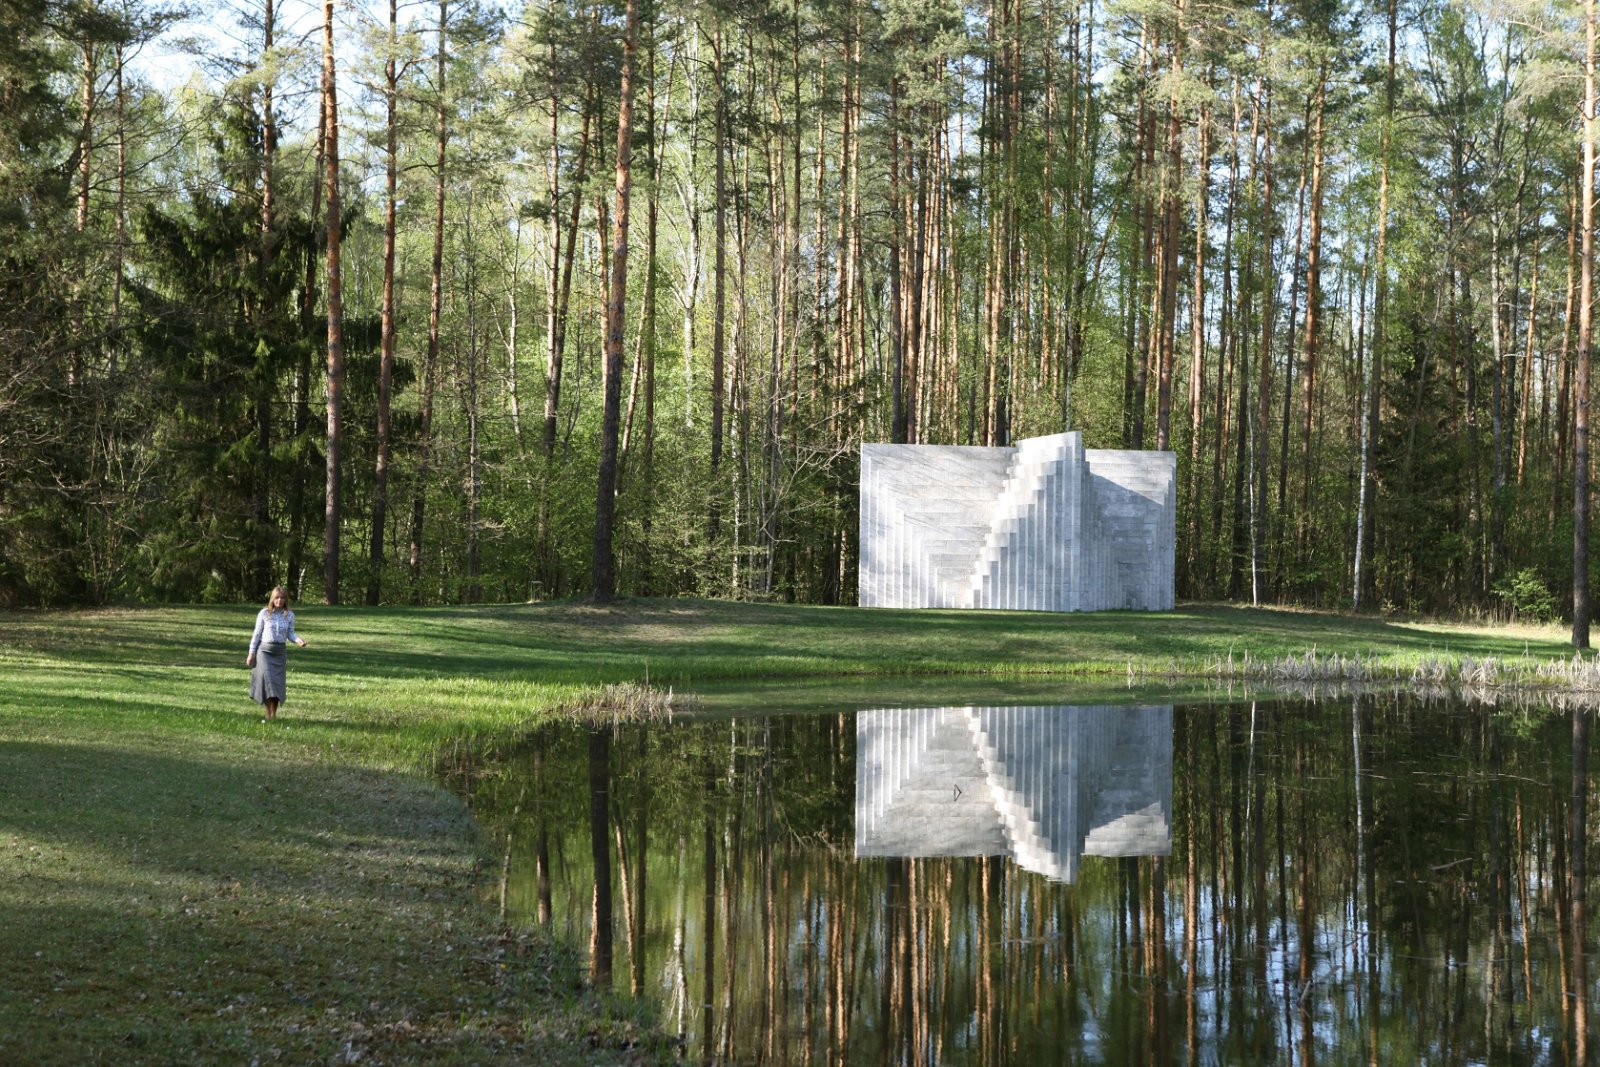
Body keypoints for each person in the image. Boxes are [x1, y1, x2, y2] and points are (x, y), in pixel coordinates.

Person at [246, 586, 308, 721]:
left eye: (282, 598)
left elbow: (290, 633)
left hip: (279, 653)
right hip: (264, 652)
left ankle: (273, 715)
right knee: (268, 682)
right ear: (272, 599)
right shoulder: (264, 613)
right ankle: (267, 714)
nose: (279, 600)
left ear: (286, 600)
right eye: (277, 598)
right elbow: (256, 634)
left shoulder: (289, 615)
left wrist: (298, 640)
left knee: (276, 685)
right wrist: (251, 653)